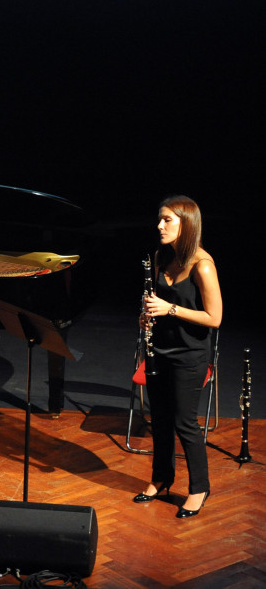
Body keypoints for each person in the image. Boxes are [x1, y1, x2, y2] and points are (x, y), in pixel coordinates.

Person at [134, 195, 222, 518]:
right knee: (159, 418)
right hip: (159, 349)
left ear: (186, 224)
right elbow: (149, 301)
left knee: (184, 421)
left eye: (167, 220)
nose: (159, 225)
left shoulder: (202, 265)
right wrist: (144, 316)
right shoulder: (160, 256)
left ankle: (199, 487)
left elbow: (215, 318)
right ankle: (162, 477)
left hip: (190, 354)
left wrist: (170, 309)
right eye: (160, 219)